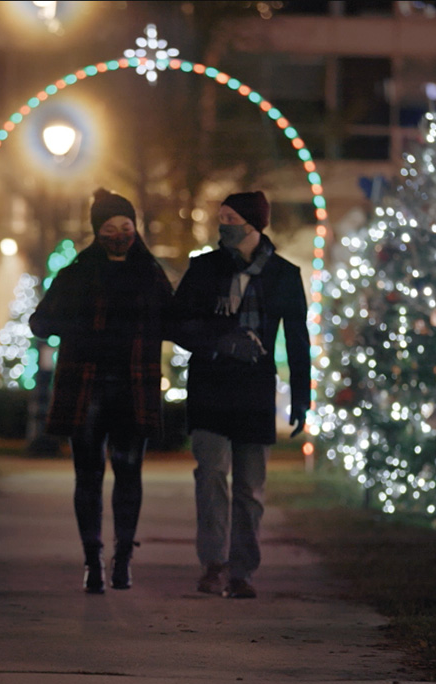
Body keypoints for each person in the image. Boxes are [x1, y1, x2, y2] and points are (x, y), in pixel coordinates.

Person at [29, 189, 174, 594]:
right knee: (88, 474)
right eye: (110, 229)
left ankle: (123, 558)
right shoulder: (77, 273)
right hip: (86, 386)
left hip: (134, 385)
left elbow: (175, 319)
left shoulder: (150, 273)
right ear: (97, 231)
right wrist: (70, 324)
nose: (120, 235)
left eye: (126, 227)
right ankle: (93, 560)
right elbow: (41, 321)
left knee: (129, 472)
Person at [171, 191, 311, 599]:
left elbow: (298, 339)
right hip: (210, 390)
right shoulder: (204, 270)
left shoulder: (283, 275)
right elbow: (178, 325)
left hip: (254, 392)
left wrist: (301, 397)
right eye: (221, 217)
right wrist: (221, 340)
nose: (223, 225)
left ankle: (243, 571)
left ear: (254, 224)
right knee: (211, 475)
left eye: (230, 217)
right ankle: (214, 564)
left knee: (250, 487)